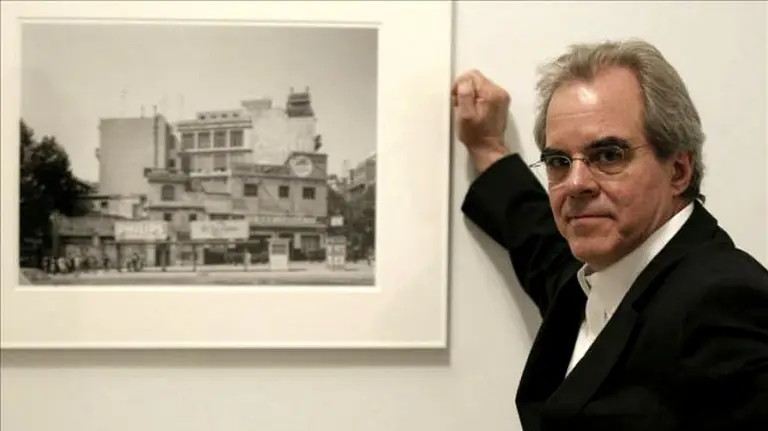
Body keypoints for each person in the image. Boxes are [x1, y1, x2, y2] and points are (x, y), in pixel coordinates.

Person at [453, 39, 768, 430]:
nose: (575, 183)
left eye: (608, 155)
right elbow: (542, 246)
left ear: (678, 171)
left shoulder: (723, 302)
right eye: (558, 161)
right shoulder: (597, 280)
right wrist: (488, 149)